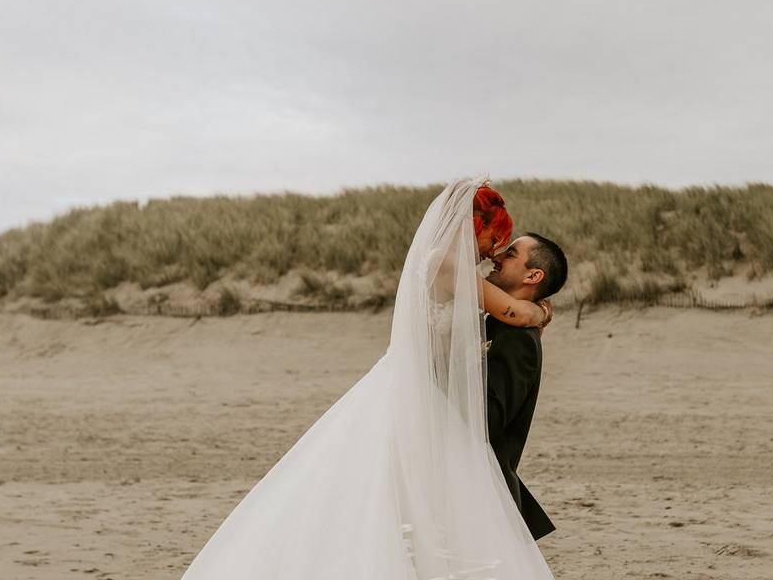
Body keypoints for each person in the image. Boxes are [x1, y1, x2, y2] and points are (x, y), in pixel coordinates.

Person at [181, 178, 557, 579]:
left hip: (415, 392)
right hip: (410, 394)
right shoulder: (446, 266)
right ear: (472, 227)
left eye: (503, 247)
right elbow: (513, 314)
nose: (493, 253)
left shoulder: (445, 264)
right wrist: (540, 313)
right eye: (493, 240)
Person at [484, 233, 568, 541]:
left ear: (533, 275)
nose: (496, 257)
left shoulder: (519, 340)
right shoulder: (492, 323)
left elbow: (486, 423)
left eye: (510, 254)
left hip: (480, 496)